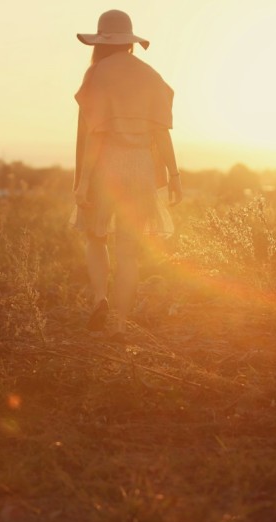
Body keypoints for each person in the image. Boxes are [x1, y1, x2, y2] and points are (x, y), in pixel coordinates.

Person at [70, 9, 182, 340]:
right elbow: (163, 133)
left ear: (101, 42)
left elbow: (96, 135)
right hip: (142, 167)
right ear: (130, 41)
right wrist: (174, 176)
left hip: (107, 166)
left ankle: (99, 299)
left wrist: (85, 180)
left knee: (95, 236)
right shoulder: (150, 75)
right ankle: (119, 324)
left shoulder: (97, 74)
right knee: (129, 251)